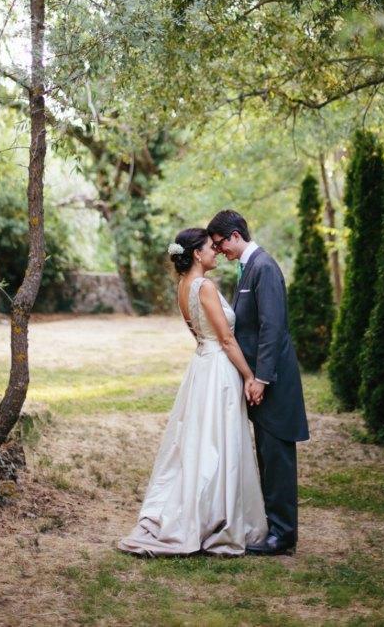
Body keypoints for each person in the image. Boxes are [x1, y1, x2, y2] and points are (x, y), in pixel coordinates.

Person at [118, 227, 267, 557]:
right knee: (220, 440)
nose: (216, 252)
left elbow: (199, 333)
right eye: (211, 248)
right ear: (197, 254)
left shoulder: (182, 287)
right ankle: (218, 517)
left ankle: (203, 509)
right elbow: (226, 339)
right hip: (218, 369)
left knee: (199, 441)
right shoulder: (206, 287)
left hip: (201, 365)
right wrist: (248, 376)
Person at [207, 210, 309, 557]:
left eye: (220, 244)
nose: (219, 252)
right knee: (267, 453)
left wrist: (261, 378)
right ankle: (273, 527)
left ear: (236, 235)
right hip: (262, 383)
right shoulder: (248, 268)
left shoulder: (264, 267)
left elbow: (272, 328)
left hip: (275, 382)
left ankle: (283, 535)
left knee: (278, 456)